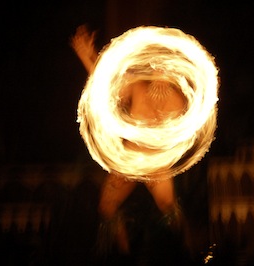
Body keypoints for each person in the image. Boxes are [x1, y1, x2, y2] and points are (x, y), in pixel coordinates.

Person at [70, 25, 188, 255]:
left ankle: (187, 251)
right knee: (107, 208)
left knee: (168, 207)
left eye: (164, 67)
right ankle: (123, 255)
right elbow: (104, 84)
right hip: (128, 159)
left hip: (155, 163)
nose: (159, 71)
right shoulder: (136, 87)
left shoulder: (178, 100)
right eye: (156, 66)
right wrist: (86, 56)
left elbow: (184, 130)